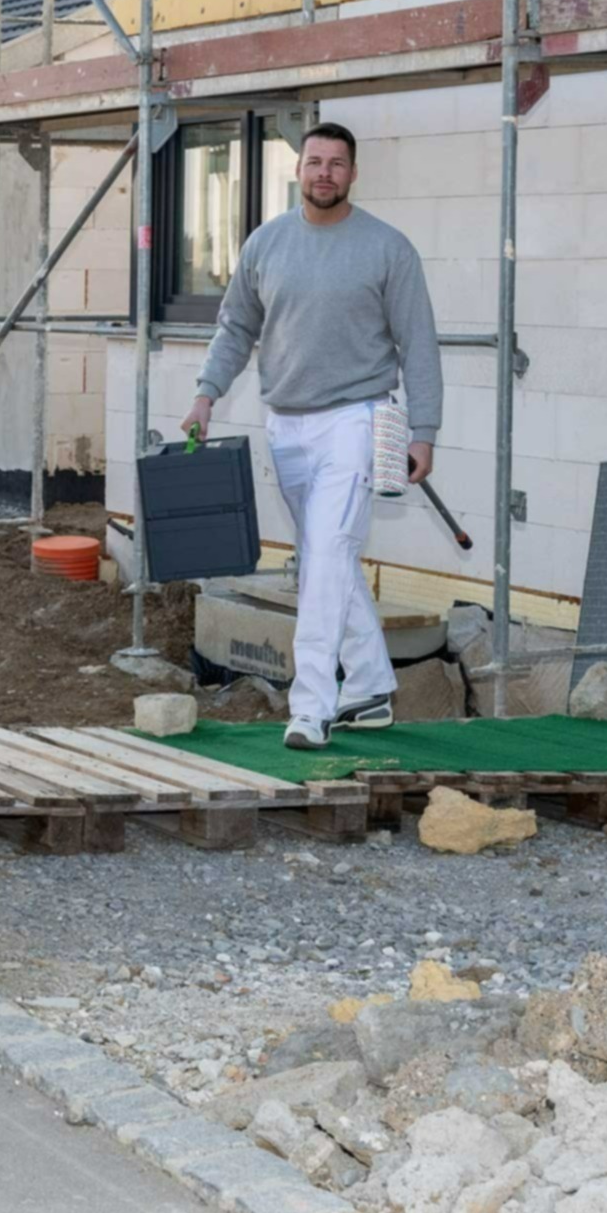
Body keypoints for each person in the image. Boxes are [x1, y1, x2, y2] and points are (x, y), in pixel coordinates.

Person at [183, 122, 441, 750]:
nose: (325, 172)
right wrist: (205, 394)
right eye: (314, 162)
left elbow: (420, 345)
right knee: (332, 558)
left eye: (337, 163)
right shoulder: (266, 244)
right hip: (287, 424)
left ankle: (311, 707)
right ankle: (372, 686)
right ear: (298, 170)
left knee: (323, 559)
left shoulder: (388, 248)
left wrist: (424, 431)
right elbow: (235, 328)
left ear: (353, 174)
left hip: (359, 419)